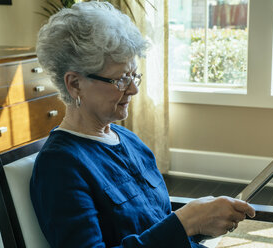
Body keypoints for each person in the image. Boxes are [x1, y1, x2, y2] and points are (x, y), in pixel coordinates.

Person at [30, 1, 255, 248]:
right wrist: (185, 223)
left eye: (134, 75)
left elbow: (155, 226)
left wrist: (201, 222)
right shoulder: (60, 166)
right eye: (121, 79)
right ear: (74, 84)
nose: (134, 89)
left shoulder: (128, 140)